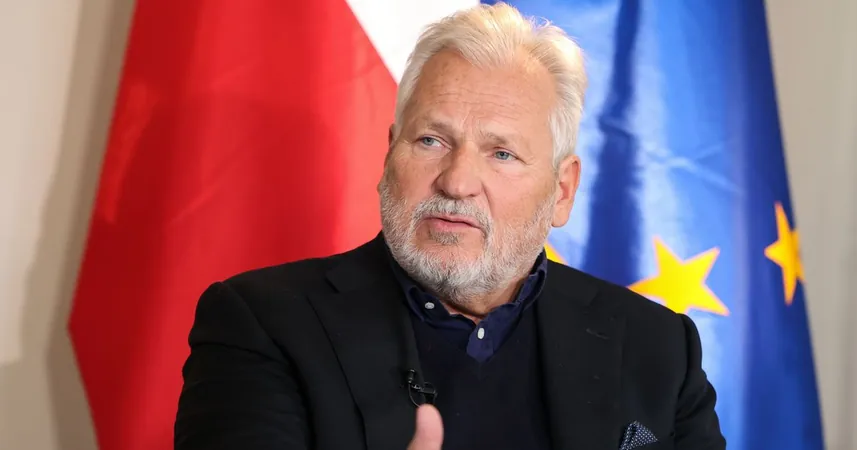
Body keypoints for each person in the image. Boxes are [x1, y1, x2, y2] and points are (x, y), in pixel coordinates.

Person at [173, 3, 725, 450]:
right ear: (390, 154)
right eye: (431, 141)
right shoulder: (262, 324)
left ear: (562, 190)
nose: (457, 182)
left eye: (502, 153)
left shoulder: (658, 347)